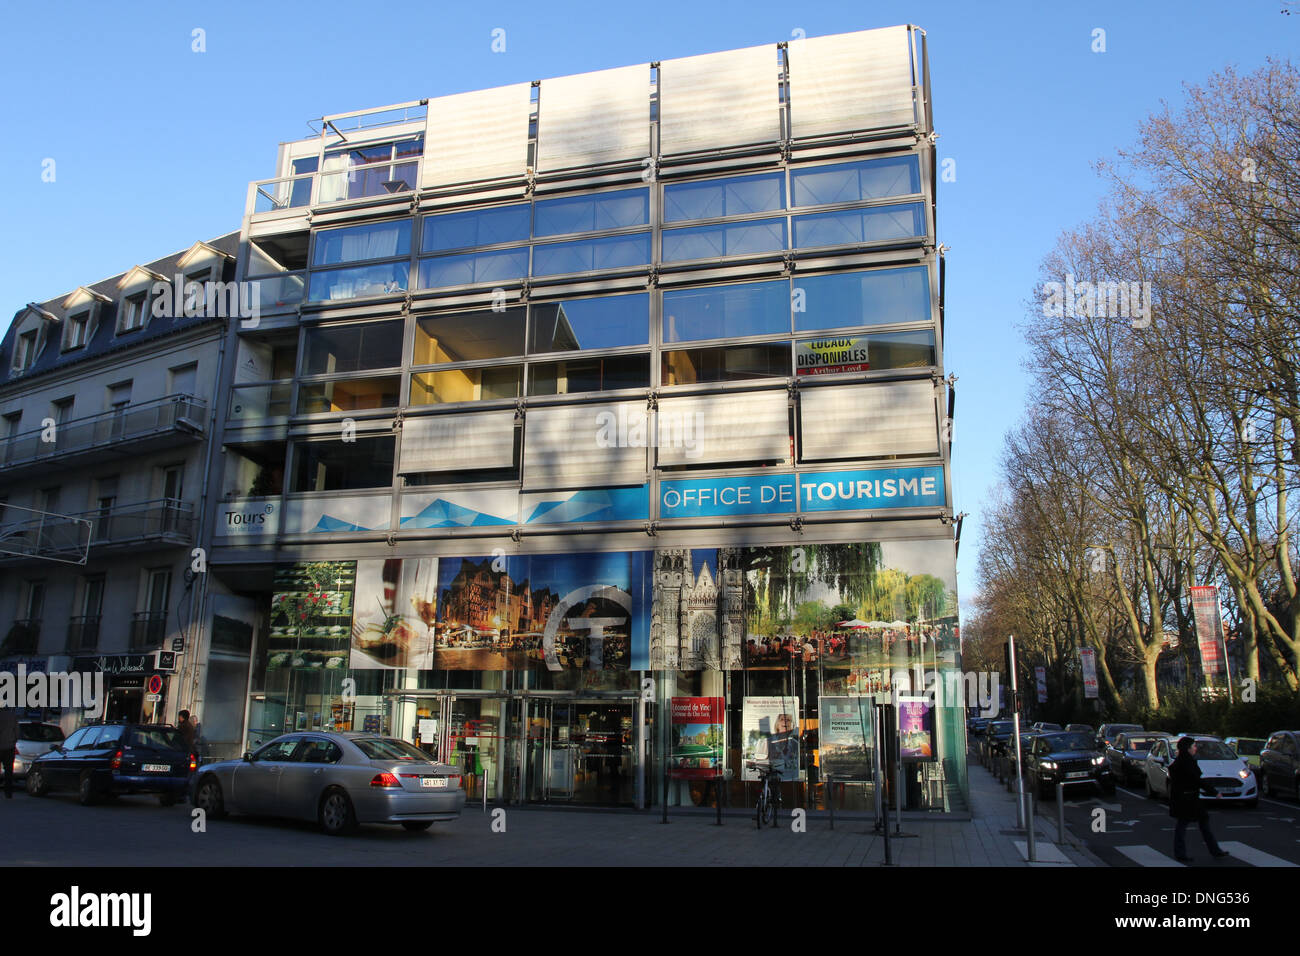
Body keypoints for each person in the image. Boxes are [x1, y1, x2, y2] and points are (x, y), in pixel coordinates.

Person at [1168, 736, 1230, 862]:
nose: (1195, 748)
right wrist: (1214, 792)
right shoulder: (1187, 762)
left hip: (1185, 798)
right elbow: (1197, 780)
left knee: (1189, 824)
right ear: (1188, 748)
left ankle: (1212, 850)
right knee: (1189, 824)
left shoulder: (1180, 761)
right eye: (1193, 746)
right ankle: (1212, 850)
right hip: (1188, 799)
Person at [0, 705, 17, 799]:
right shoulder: (12, 716)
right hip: (9, 746)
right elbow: (17, 731)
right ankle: (8, 792)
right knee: (9, 770)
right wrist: (14, 740)